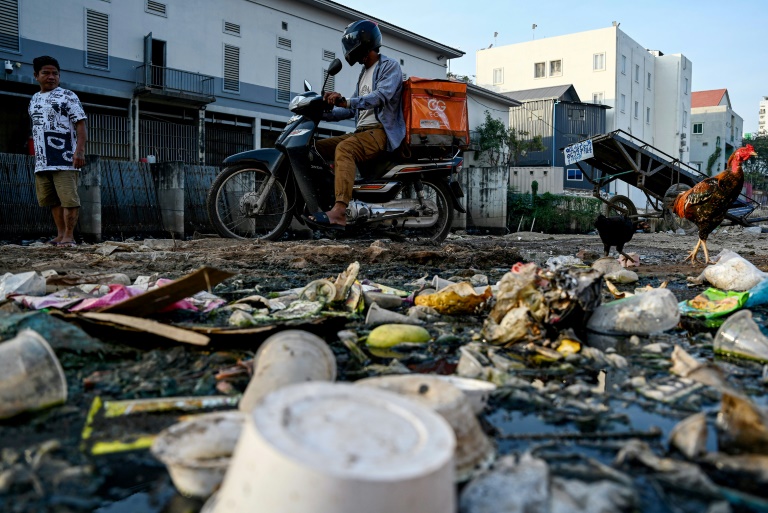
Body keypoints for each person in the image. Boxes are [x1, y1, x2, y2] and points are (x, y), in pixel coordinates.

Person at [311, 20, 405, 228]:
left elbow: (381, 96)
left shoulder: (389, 66)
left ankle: (339, 211)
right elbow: (350, 108)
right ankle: (323, 200)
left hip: (380, 132)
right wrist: (318, 114)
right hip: (362, 132)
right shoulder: (364, 73)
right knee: (314, 148)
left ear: (364, 43)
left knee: (345, 148)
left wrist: (346, 100)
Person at [28, 55, 88, 246]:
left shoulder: (68, 95)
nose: (51, 77)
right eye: (46, 73)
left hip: (64, 156)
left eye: (55, 73)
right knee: (52, 200)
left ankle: (70, 236)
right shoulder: (34, 99)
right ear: (36, 75)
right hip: (43, 159)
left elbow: (80, 124)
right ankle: (60, 234)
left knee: (68, 198)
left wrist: (79, 151)